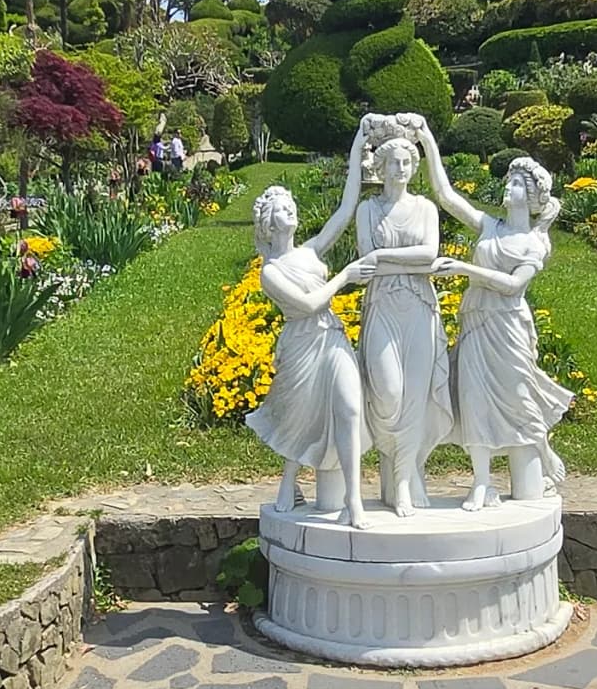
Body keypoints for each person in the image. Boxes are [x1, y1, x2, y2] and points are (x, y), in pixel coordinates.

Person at [414, 127, 573, 509]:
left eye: (516, 183)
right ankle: (482, 482)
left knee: (519, 397)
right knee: (473, 399)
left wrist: (467, 271)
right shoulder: (491, 227)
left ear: (532, 196)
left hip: (508, 327)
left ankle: (541, 453)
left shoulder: (533, 243)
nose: (508, 188)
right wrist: (428, 142)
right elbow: (448, 197)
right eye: (508, 181)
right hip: (477, 323)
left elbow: (513, 286)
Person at [245, 176, 371, 522]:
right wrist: (345, 276)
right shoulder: (269, 272)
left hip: (332, 337)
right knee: (299, 417)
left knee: (349, 409)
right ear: (269, 223)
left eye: (292, 207)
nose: (292, 211)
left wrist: (358, 150)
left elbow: (344, 213)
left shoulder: (310, 251)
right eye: (283, 209)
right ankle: (289, 479)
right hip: (302, 343)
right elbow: (308, 303)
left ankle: (354, 501)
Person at [353, 113, 453, 517]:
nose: (401, 168)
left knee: (414, 397)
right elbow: (365, 263)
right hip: (382, 308)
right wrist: (391, 260)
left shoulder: (425, 208)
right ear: (379, 166)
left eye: (408, 162)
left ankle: (406, 479)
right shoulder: (367, 211)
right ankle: (389, 465)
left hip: (418, 310)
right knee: (387, 394)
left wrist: (383, 256)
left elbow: (429, 255)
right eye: (393, 162)